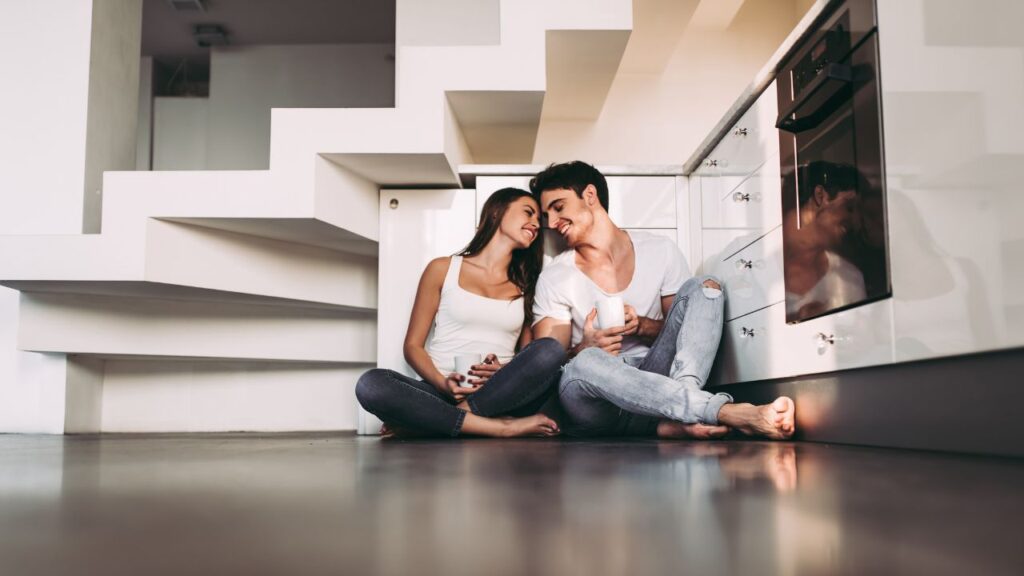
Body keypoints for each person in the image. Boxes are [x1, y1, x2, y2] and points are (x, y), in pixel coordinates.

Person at [529, 161, 795, 440]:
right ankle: (719, 411)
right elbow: (549, 363)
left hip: (657, 374)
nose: (551, 223)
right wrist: (585, 345)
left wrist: (642, 326)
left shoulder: (660, 250)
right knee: (587, 362)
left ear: (590, 195)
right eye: (547, 215)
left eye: (558, 207)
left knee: (706, 286)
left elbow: (684, 330)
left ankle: (675, 418)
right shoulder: (555, 276)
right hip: (594, 397)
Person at [356, 188, 565, 437]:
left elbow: (527, 356)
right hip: (440, 389)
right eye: (528, 213)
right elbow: (413, 346)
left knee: (550, 350)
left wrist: (502, 372)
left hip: (499, 394)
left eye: (538, 221)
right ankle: (499, 427)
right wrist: (443, 383)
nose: (535, 224)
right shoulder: (442, 268)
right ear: (497, 212)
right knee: (371, 384)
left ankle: (436, 421)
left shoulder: (528, 285)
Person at [783, 161, 869, 321]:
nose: (856, 223)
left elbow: (862, 342)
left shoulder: (850, 279)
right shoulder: (748, 256)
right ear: (820, 196)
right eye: (849, 207)